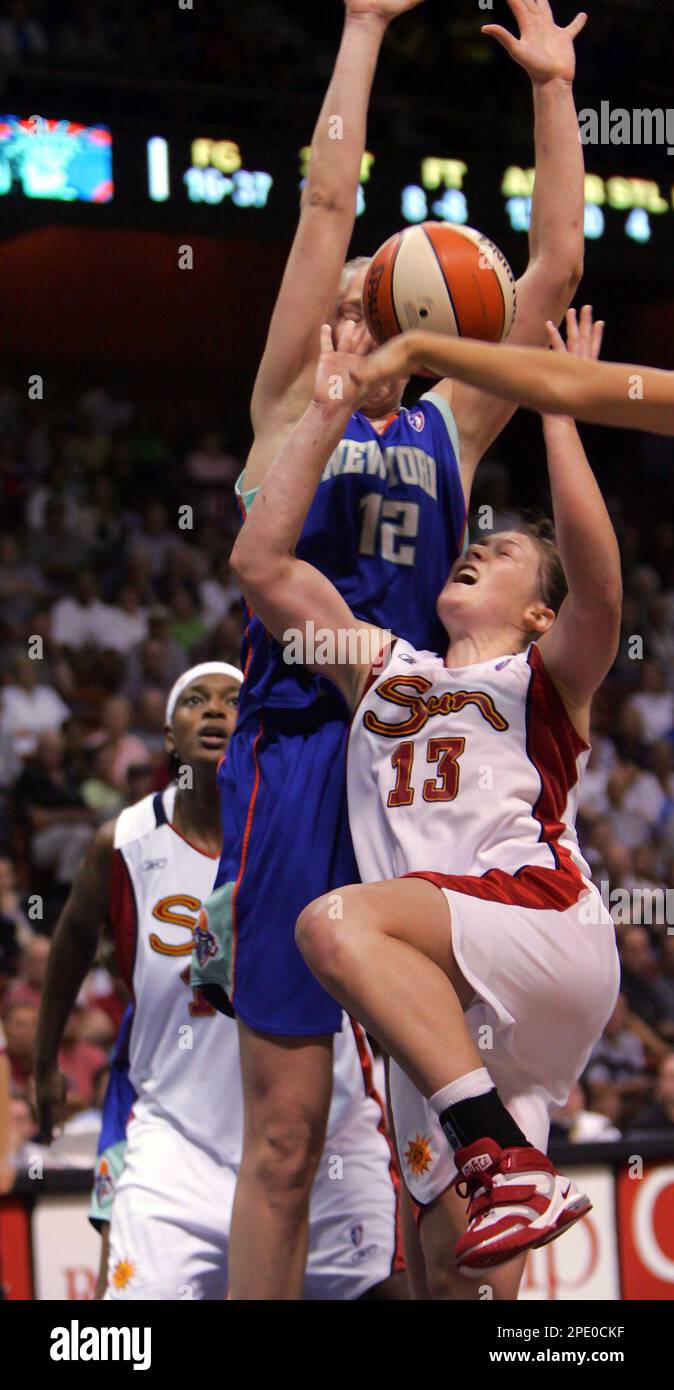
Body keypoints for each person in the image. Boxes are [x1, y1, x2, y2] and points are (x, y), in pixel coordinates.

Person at [196, 0, 588, 1300]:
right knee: (288, 1134)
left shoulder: (455, 424)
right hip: (302, 751)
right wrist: (359, 25)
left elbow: (547, 279)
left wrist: (552, 87)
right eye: (369, 249)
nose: (372, 257)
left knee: (438, 1162)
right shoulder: (288, 394)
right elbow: (319, 211)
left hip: (410, 766)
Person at [224, 304, 621, 1292]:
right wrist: (323, 407)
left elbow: (601, 595)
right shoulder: (382, 668)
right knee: (449, 1263)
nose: (475, 547)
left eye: (505, 555)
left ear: (536, 609)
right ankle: (500, 1157)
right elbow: (258, 566)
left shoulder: (546, 675)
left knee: (329, 925)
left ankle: (501, 1153)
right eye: (473, 544)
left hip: (532, 927)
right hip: (439, 1000)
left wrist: (558, 410)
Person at [35, 664, 406, 1301]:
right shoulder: (124, 842)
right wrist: (45, 1060)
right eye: (195, 702)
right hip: (180, 1141)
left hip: (324, 1131)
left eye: (234, 701)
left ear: (258, 723)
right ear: (169, 739)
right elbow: (70, 940)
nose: (215, 711)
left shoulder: (319, 824)